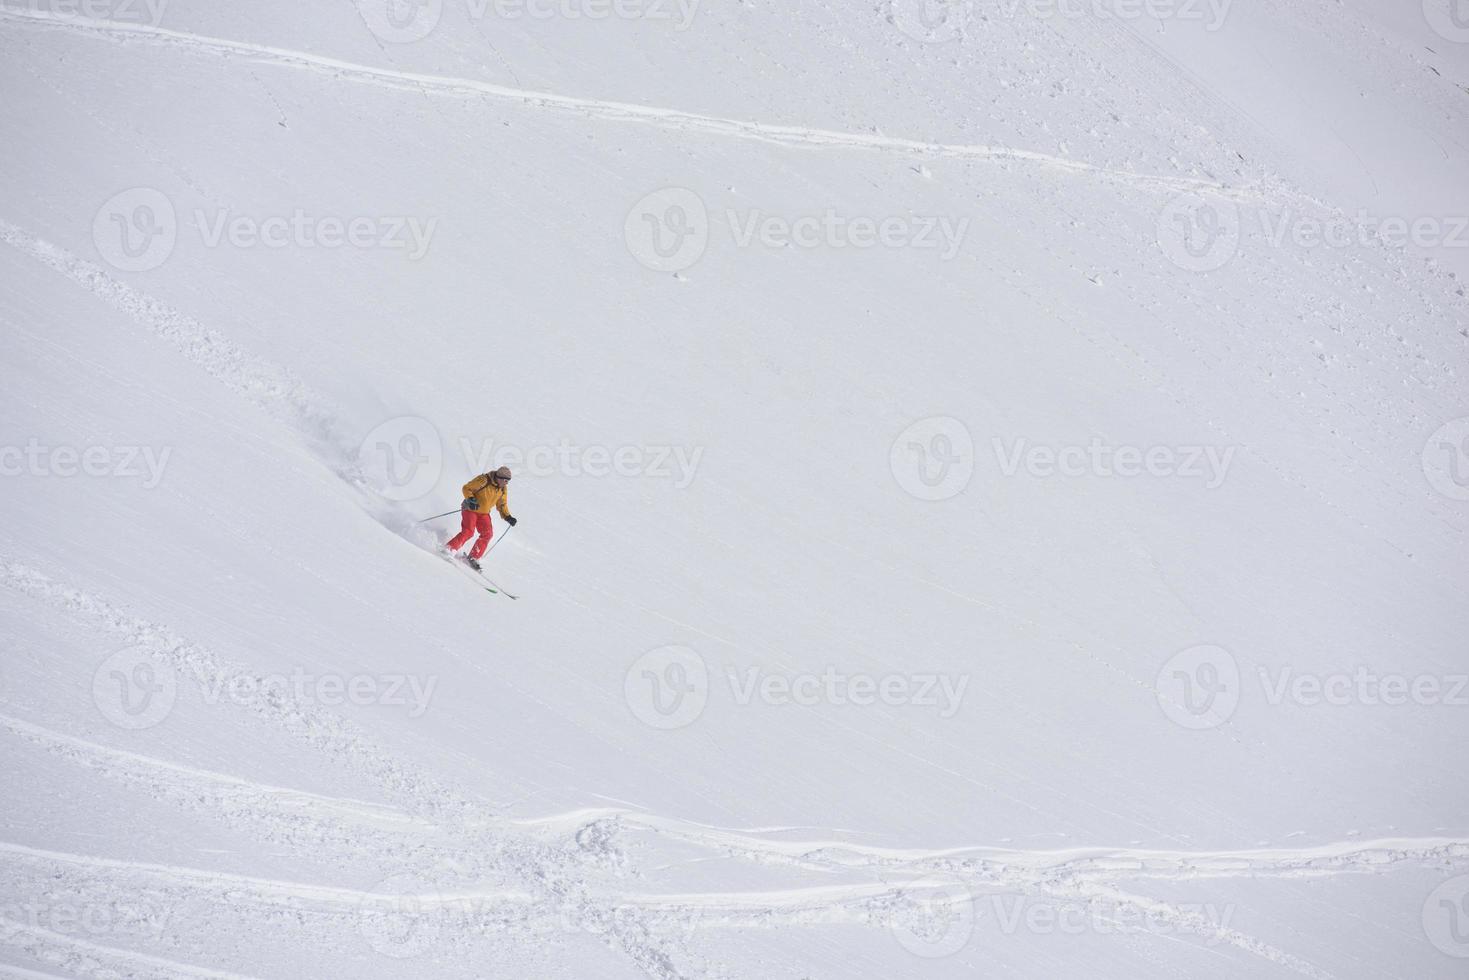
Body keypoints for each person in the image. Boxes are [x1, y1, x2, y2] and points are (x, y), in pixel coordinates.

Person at [445, 466, 517, 570]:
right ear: (499, 477)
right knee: (468, 532)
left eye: (508, 481)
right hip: (470, 509)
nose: (506, 483)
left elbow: (502, 504)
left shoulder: (502, 489)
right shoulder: (484, 480)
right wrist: (471, 499)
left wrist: (507, 516)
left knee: (488, 534)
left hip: (484, 514)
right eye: (505, 480)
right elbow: (467, 488)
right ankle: (449, 549)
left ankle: (473, 557)